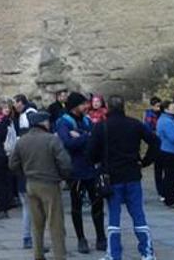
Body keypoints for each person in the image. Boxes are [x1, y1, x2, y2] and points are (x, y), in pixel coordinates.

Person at [90, 95, 159, 260]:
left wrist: (100, 161)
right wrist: (146, 161)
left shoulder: (102, 127)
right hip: (132, 174)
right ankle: (147, 252)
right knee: (138, 214)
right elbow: (155, 141)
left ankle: (114, 254)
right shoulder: (135, 124)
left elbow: (91, 153)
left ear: (108, 108)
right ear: (123, 107)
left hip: (112, 176)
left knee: (114, 217)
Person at [9, 111, 70, 260]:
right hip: (49, 184)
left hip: (31, 183)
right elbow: (65, 163)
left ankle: (38, 254)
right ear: (43, 123)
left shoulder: (22, 140)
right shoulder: (51, 139)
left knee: (37, 223)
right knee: (55, 223)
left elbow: (12, 164)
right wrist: (63, 176)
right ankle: (59, 255)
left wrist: (24, 173)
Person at [55, 92, 106, 253]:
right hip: (75, 169)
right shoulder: (63, 122)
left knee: (97, 203)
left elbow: (97, 139)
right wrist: (87, 137)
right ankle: (81, 238)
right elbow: (68, 143)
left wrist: (83, 136)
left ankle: (101, 237)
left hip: (91, 168)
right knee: (76, 205)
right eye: (84, 104)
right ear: (75, 105)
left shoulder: (87, 120)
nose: (87, 106)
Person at [13, 94, 38, 250]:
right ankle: (32, 238)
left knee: (27, 208)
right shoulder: (27, 117)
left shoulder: (25, 116)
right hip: (31, 176)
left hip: (23, 174)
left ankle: (28, 237)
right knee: (33, 208)